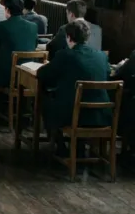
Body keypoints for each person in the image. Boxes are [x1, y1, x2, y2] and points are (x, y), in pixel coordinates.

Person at [37, 20, 111, 157]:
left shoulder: (65, 55)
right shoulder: (101, 56)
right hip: (101, 115)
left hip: (73, 116)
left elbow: (42, 74)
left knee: (46, 100)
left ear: (68, 37)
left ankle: (60, 146)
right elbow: (107, 74)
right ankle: (80, 146)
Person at [0, 0, 39, 92]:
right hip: (27, 72)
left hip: (7, 74)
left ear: (7, 10)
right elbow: (35, 45)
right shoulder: (33, 26)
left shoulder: (1, 26)